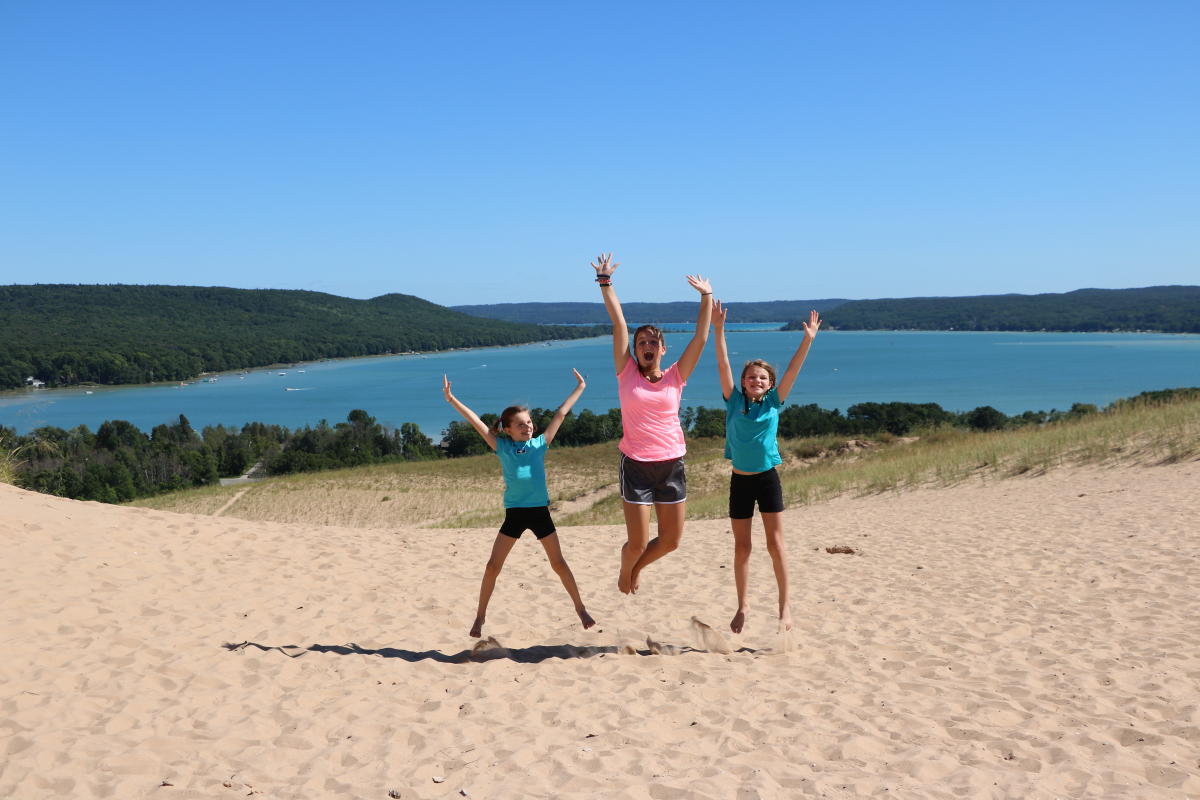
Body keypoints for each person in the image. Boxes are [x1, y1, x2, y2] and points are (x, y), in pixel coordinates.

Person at [591, 252, 713, 594]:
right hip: (637, 466)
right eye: (641, 342)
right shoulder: (626, 371)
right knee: (636, 543)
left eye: (652, 342)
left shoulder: (676, 376)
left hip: (671, 463)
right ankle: (627, 568)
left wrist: (706, 296)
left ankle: (636, 568)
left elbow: (700, 339)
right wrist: (605, 283)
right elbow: (619, 325)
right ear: (635, 348)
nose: (646, 345)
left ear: (662, 348)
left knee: (672, 541)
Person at [442, 369, 596, 638]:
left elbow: (560, 414)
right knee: (493, 566)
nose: (528, 427)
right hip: (514, 514)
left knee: (558, 563)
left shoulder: (540, 444)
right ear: (508, 429)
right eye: (522, 424)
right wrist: (451, 399)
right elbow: (475, 421)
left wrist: (580, 387)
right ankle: (480, 617)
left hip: (539, 513)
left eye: (529, 422)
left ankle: (581, 609)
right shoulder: (501, 446)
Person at [713, 301, 820, 633]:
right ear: (743, 382)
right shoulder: (733, 401)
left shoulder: (775, 401)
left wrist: (808, 340)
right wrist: (718, 330)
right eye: (751, 377)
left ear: (769, 384)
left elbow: (792, 371)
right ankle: (743, 604)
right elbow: (722, 362)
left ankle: (784, 607)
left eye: (762, 377)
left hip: (767, 480)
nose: (756, 380)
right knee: (742, 547)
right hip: (740, 482)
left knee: (776, 544)